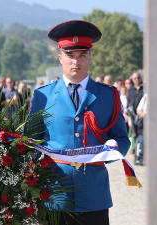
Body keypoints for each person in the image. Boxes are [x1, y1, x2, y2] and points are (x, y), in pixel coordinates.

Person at [30, 20, 130, 225]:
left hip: (95, 194)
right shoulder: (43, 96)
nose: (76, 61)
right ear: (60, 58)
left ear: (90, 57)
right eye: (70, 55)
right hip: (55, 195)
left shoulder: (108, 95)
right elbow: (31, 142)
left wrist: (111, 151)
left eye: (82, 55)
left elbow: (122, 138)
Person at [127, 72, 143, 143]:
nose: (137, 79)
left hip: (141, 115)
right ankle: (136, 151)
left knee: (141, 133)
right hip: (132, 115)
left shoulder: (144, 89)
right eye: (135, 78)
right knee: (134, 134)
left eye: (138, 78)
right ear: (132, 80)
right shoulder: (130, 89)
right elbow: (128, 102)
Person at [136, 88, 147, 165]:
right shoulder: (146, 97)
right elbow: (139, 110)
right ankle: (142, 157)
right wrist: (147, 117)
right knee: (142, 140)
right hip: (145, 122)